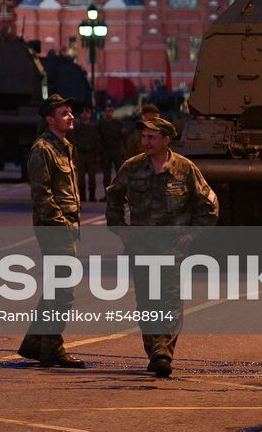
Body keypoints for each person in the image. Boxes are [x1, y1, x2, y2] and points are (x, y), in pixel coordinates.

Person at [105, 115, 218, 378]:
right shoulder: (131, 168)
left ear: (166, 140)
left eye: (151, 137)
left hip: (171, 249)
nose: (145, 141)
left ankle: (163, 352)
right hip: (141, 249)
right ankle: (155, 350)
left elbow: (209, 204)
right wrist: (120, 228)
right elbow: (113, 197)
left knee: (169, 300)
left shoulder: (185, 169)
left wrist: (194, 233)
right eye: (144, 136)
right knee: (146, 301)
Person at [17, 94, 87, 368]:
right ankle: (53, 348)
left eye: (70, 112)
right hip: (55, 227)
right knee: (64, 290)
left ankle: (35, 344)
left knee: (56, 289)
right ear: (50, 120)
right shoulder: (43, 149)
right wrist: (61, 223)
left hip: (67, 224)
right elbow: (42, 194)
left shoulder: (64, 146)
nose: (71, 116)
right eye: (64, 113)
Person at [69, 105, 104, 202]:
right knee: (80, 177)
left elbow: (97, 141)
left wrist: (98, 155)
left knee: (92, 177)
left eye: (87, 112)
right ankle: (83, 196)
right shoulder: (77, 127)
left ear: (90, 114)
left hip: (91, 154)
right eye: (83, 112)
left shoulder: (93, 127)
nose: (85, 114)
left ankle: (92, 196)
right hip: (80, 154)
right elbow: (73, 140)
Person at [99, 105, 128, 182]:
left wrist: (125, 149)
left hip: (117, 150)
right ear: (104, 112)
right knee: (106, 176)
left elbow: (124, 137)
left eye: (109, 111)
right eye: (106, 111)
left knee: (120, 173)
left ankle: (119, 192)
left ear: (112, 112)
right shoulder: (101, 124)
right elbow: (98, 139)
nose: (108, 113)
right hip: (105, 151)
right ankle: (107, 192)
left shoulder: (118, 123)